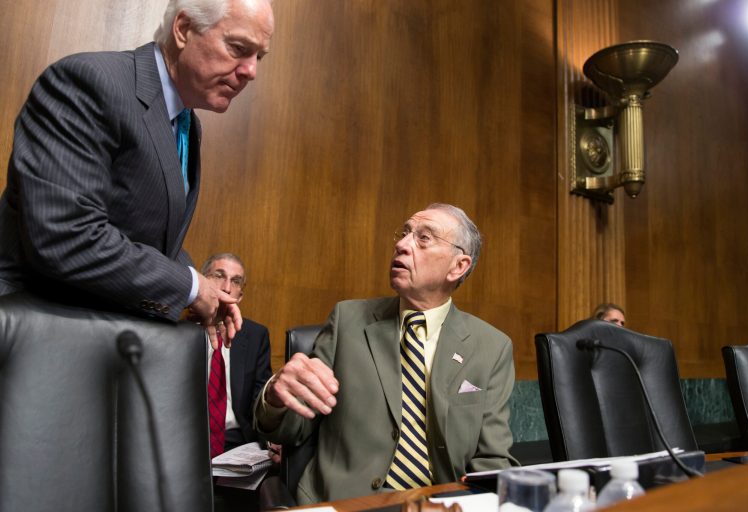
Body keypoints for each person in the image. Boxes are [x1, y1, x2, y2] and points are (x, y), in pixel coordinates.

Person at [0, 0, 275, 346]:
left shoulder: (188, 123)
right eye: (238, 48)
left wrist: (206, 291)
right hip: (30, 342)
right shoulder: (88, 81)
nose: (251, 71)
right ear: (184, 29)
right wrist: (189, 287)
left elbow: (149, 237)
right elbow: (65, 234)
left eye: (259, 57)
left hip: (102, 342)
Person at [254, 203, 517, 504]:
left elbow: (493, 461)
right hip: (344, 505)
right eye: (404, 233)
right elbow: (292, 429)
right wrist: (276, 396)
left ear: (458, 266)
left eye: (424, 238)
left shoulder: (491, 347)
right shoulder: (347, 321)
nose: (401, 244)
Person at [201, 253, 273, 453]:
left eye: (235, 281)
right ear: (202, 282)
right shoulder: (179, 330)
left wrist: (272, 438)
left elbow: (261, 402)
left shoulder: (255, 336)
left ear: (239, 296)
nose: (226, 288)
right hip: (189, 437)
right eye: (218, 276)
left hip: (237, 442)